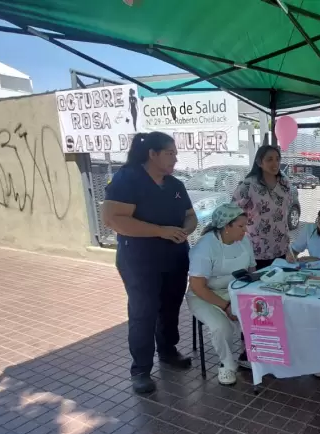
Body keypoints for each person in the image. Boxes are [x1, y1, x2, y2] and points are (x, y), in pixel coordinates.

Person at [102, 132, 198, 394]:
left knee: (170, 308)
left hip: (175, 259)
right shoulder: (128, 179)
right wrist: (160, 230)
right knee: (143, 313)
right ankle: (141, 370)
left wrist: (185, 231)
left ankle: (168, 352)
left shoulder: (176, 186)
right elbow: (112, 219)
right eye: (170, 153)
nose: (176, 159)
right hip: (140, 261)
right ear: (152, 154)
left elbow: (191, 217)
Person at [186, 203, 255, 386]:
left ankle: (247, 354)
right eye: (241, 226)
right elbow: (198, 286)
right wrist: (226, 306)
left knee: (257, 315)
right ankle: (226, 364)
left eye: (245, 225)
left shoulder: (244, 241)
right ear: (226, 227)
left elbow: (251, 270)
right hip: (203, 296)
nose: (245, 230)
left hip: (236, 289)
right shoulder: (206, 246)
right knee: (221, 326)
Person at [233, 145, 295, 269]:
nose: (275, 163)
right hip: (257, 250)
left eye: (277, 159)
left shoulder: (284, 183)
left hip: (280, 248)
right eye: (269, 159)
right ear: (259, 162)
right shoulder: (248, 185)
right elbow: (233, 212)